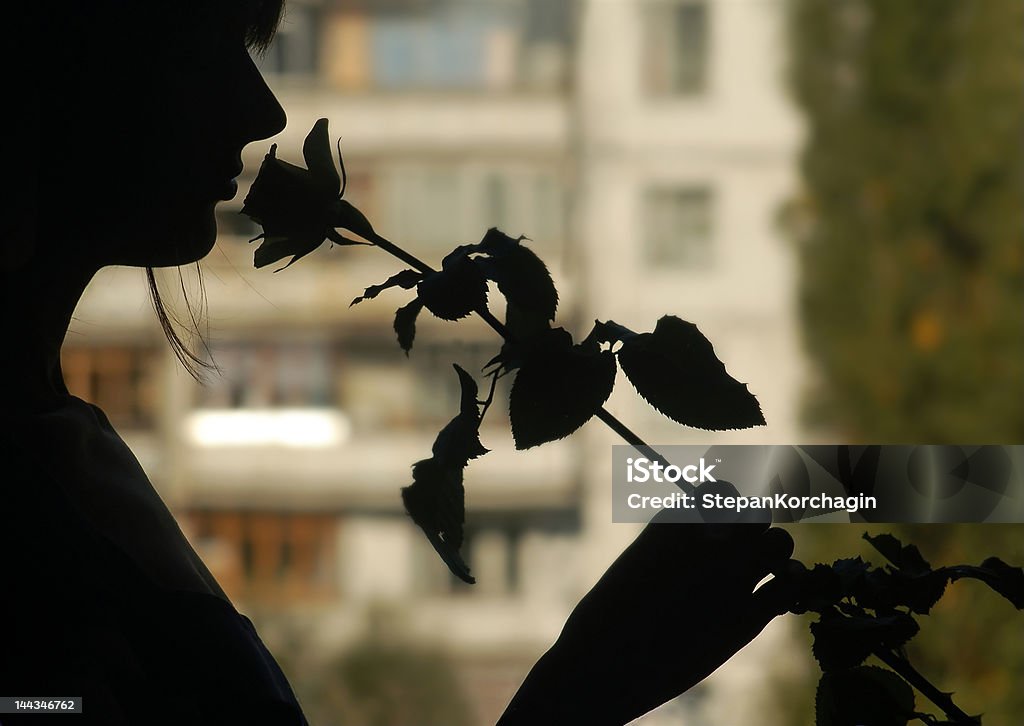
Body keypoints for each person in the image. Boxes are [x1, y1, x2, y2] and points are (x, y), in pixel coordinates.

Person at [1, 3, 796, 724]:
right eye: (200, 45)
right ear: (50, 71)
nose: (260, 108)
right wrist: (577, 694)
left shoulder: (58, 457)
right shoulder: (29, 528)